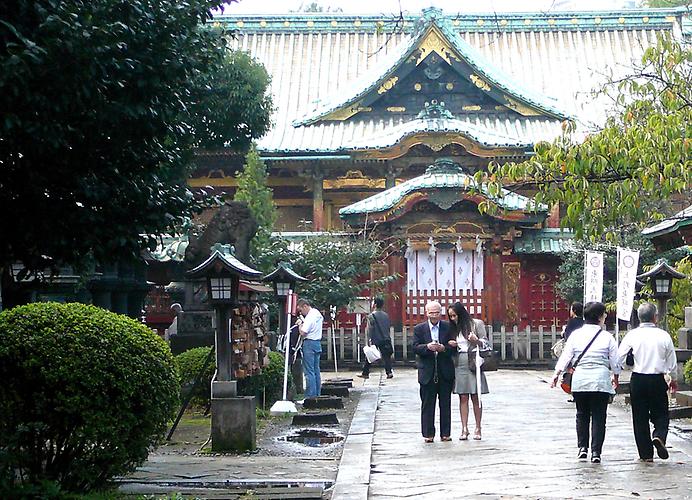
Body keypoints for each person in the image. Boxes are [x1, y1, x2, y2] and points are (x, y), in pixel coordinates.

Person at [551, 301, 620, 463]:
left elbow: (566, 356)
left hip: (580, 379)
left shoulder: (576, 335)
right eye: (604, 315)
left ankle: (582, 448)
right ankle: (596, 452)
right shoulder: (607, 337)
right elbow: (615, 362)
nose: (605, 318)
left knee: (581, 414)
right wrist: (615, 377)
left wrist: (556, 374)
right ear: (599, 317)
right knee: (599, 416)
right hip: (601, 380)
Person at [617, 302, 678, 462]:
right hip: (657, 379)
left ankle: (646, 455)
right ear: (655, 317)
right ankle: (659, 436)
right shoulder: (663, 335)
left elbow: (620, 357)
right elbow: (672, 362)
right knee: (662, 413)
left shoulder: (632, 335)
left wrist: (626, 366)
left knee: (640, 417)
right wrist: (673, 379)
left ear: (639, 318)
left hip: (638, 379)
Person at [412, 300, 455, 443]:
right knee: (427, 404)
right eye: (431, 313)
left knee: (445, 403)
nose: (434, 316)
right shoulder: (419, 329)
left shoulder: (448, 327)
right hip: (427, 371)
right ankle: (428, 434)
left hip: (444, 370)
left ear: (441, 312)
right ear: (427, 313)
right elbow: (415, 347)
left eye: (437, 313)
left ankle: (445, 433)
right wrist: (427, 347)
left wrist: (444, 348)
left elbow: (454, 347)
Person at [446, 302, 489, 441]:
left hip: (474, 360)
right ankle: (464, 428)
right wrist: (451, 344)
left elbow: (486, 344)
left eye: (454, 315)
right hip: (460, 361)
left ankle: (478, 427)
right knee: (462, 396)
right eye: (450, 316)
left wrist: (476, 341)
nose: (453, 318)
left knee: (476, 396)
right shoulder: (453, 327)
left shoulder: (476, 324)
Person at [359, 297, 393, 380]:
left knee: (369, 356)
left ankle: (365, 372)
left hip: (376, 338)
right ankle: (389, 372)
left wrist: (369, 339)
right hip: (385, 338)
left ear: (375, 304)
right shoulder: (386, 315)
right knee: (386, 357)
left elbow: (370, 328)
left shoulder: (371, 316)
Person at [297, 298, 324, 399]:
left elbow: (303, 332)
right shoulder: (317, 314)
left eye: (301, 310)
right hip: (317, 343)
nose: (301, 312)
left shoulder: (310, 316)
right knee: (316, 370)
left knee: (309, 372)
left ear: (305, 306)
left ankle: (310, 396)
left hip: (309, 343)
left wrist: (300, 325)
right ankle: (317, 394)